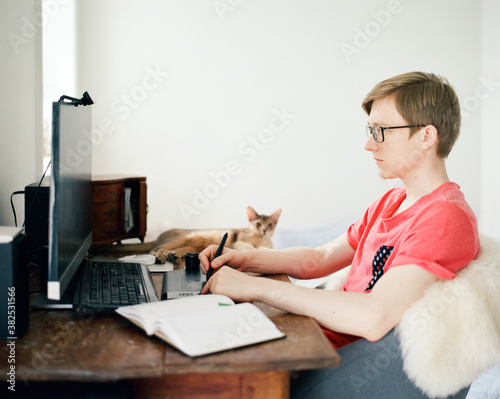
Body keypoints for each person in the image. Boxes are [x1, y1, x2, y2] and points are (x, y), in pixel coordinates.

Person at [199, 71, 480, 398]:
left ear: (426, 136)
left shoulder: (444, 218)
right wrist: (246, 260)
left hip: (337, 364)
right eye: (370, 130)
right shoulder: (394, 200)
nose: (368, 144)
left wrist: (253, 288)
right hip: (312, 341)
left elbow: (374, 317)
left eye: (381, 131)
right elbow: (320, 258)